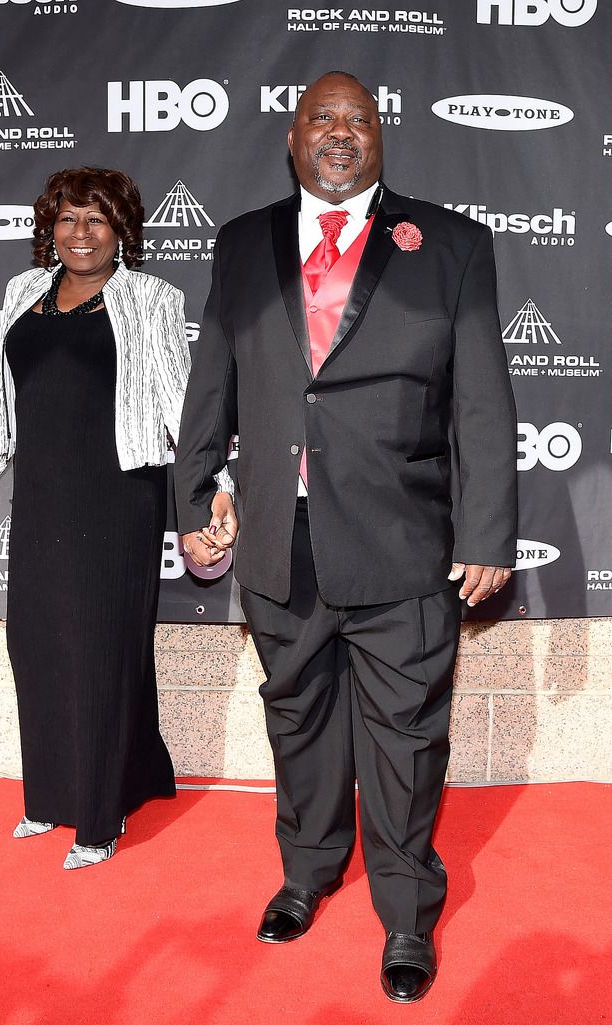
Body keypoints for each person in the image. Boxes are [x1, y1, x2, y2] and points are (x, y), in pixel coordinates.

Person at [174, 74, 517, 1002]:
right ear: (291, 139)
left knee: (406, 735)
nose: (339, 133)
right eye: (320, 118)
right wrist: (191, 493)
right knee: (298, 716)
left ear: (379, 138)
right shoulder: (242, 241)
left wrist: (486, 530)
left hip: (403, 538)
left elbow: (483, 401)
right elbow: (213, 377)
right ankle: (308, 870)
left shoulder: (448, 242)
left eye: (357, 119)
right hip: (276, 541)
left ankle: (406, 914)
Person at [0, 166, 230, 870]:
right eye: (68, 218)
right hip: (40, 496)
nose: (80, 233)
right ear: (51, 227)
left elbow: (180, 402)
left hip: (117, 496)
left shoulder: (150, 299)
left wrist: (211, 485)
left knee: (101, 649)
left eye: (96, 220)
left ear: (122, 231)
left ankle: (100, 817)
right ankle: (49, 796)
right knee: (36, 646)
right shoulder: (20, 294)